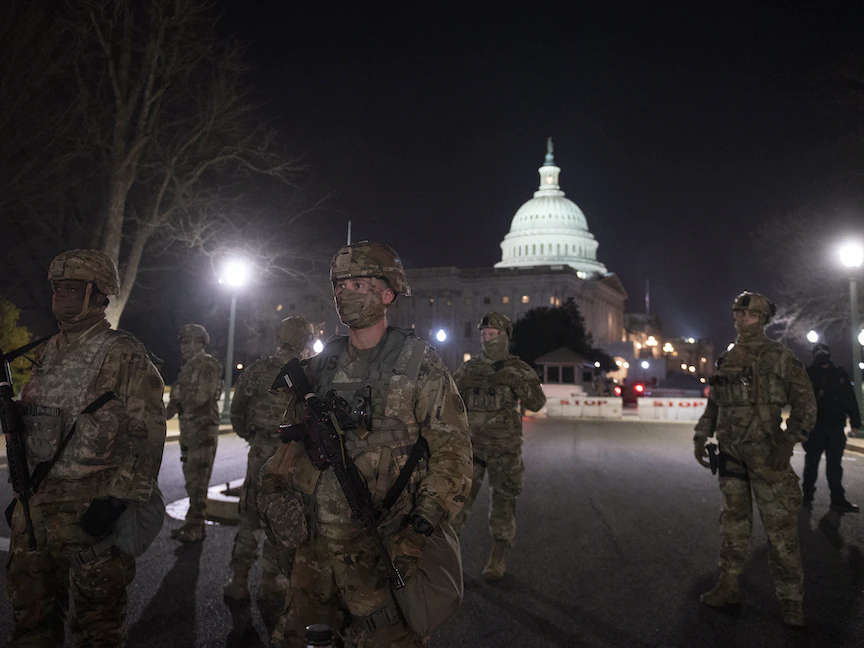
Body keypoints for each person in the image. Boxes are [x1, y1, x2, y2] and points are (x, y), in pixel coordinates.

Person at [259, 241, 472, 648]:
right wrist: (273, 490)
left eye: (357, 283)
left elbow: (452, 455)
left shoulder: (419, 362)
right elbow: (290, 443)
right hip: (314, 550)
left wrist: (419, 529)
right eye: (339, 285)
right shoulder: (320, 366)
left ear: (387, 293)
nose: (344, 293)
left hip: (382, 547)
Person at [6, 249, 166, 647]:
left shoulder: (123, 354)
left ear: (98, 294)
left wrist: (117, 500)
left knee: (98, 629)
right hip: (37, 510)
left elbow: (147, 434)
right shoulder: (46, 352)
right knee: (30, 622)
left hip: (92, 513)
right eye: (57, 287)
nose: (61, 295)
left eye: (73, 287)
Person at [693, 291, 816, 627]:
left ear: (762, 319)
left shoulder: (779, 357)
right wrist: (701, 435)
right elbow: (714, 404)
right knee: (733, 525)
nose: (741, 320)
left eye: (748, 315)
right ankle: (728, 585)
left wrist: (789, 441)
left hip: (767, 455)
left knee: (780, 530)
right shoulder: (726, 359)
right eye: (738, 314)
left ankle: (791, 600)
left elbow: (805, 403)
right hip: (731, 454)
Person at [223, 316, 316, 604]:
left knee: (249, 518)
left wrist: (254, 438)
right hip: (292, 458)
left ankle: (238, 582)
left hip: (260, 453)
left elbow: (237, 414)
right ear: (307, 342)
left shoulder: (256, 370)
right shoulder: (309, 375)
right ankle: (269, 580)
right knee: (281, 521)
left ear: (278, 337)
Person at [451, 312, 546, 581]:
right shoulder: (468, 369)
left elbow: (537, 403)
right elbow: (449, 403)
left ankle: (498, 556)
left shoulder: (519, 369)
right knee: (455, 506)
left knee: (503, 505)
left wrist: (520, 383)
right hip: (472, 450)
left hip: (504, 450)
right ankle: (449, 562)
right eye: (484, 334)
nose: (487, 338)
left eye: (493, 334)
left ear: (505, 336)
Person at [166, 323, 223, 542]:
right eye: (181, 343)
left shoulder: (207, 365)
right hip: (189, 431)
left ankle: (196, 526)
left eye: (187, 342)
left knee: (198, 481)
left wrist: (178, 400)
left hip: (202, 432)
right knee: (191, 479)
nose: (183, 348)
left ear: (199, 342)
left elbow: (201, 397)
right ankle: (193, 523)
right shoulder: (189, 367)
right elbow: (175, 403)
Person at [802, 342, 860, 512]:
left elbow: (850, 400)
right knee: (811, 464)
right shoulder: (808, 374)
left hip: (835, 427)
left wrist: (855, 423)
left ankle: (837, 499)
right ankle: (807, 497)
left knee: (834, 465)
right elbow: (799, 401)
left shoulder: (838, 374)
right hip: (815, 427)